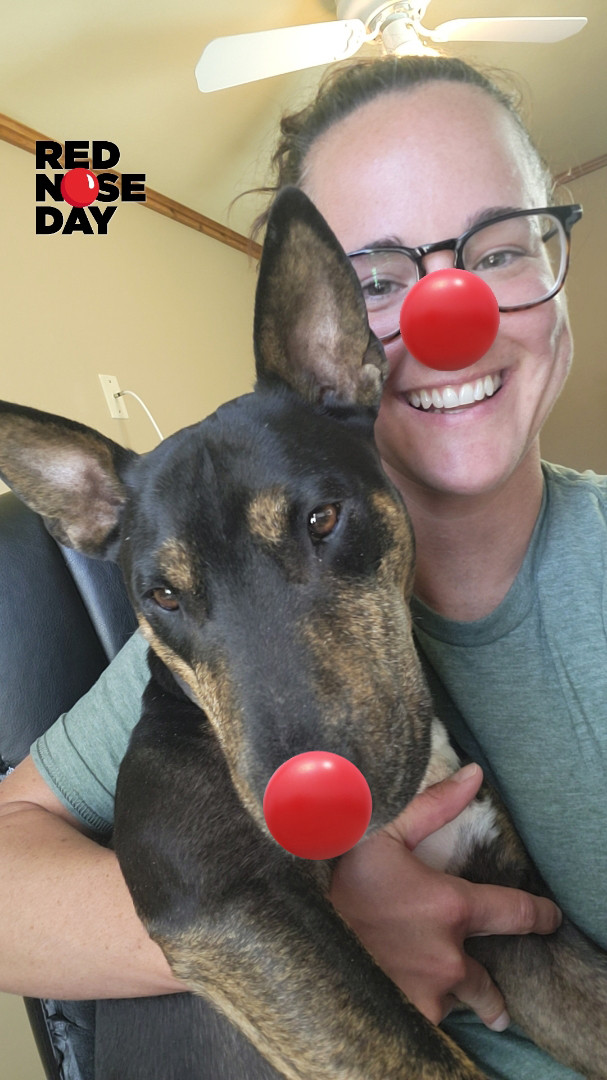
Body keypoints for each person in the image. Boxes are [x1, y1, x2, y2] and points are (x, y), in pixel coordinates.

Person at [0, 54, 603, 1080]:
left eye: (496, 249)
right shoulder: (189, 661)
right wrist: (309, 919)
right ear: (335, 335)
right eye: (375, 278)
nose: (440, 318)